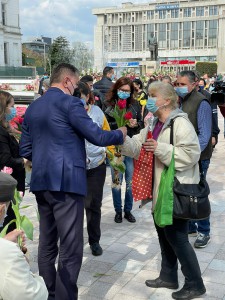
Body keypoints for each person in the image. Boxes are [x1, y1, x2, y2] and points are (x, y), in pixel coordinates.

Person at [19, 63, 126, 300]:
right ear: (67, 81)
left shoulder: (34, 107)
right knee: (70, 246)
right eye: (76, 84)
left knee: (47, 244)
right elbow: (97, 136)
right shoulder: (70, 104)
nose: (76, 89)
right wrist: (121, 134)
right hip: (67, 183)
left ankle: (50, 293)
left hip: (41, 182)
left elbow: (25, 148)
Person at [121, 81, 206, 300]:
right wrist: (120, 140)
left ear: (166, 100)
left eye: (152, 95)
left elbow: (191, 154)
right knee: (164, 234)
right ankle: (168, 275)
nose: (148, 99)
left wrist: (160, 148)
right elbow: (139, 146)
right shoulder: (153, 123)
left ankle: (195, 284)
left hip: (175, 191)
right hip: (159, 188)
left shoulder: (180, 124)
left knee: (177, 238)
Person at [73, 81, 114, 256]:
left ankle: (94, 240)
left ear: (88, 96)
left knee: (93, 205)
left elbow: (106, 133)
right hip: (75, 166)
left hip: (96, 165)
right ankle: (73, 242)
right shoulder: (70, 114)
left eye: (82, 98)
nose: (80, 102)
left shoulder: (97, 113)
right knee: (74, 206)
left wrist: (111, 155)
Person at [176, 71, 212, 248]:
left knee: (198, 194)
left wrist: (191, 154)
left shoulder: (201, 102)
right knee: (186, 191)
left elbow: (204, 135)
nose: (179, 87)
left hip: (199, 156)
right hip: (185, 156)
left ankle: (204, 231)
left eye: (182, 84)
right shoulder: (181, 101)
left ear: (194, 83)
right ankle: (190, 225)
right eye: (177, 84)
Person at [0, 172, 48, 300]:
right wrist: (20, 259)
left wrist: (3, 242)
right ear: (1, 209)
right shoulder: (7, 252)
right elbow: (33, 296)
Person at [105, 76, 143, 223]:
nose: (124, 93)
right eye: (122, 90)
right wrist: (120, 125)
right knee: (116, 182)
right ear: (116, 89)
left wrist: (135, 124)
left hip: (130, 147)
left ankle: (128, 210)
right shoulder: (108, 104)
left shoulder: (134, 105)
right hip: (115, 149)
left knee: (130, 181)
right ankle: (117, 211)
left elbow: (141, 123)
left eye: (127, 91)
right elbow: (105, 125)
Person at [0, 91, 26, 233]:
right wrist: (24, 160)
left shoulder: (7, 128)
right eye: (12, 106)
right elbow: (5, 160)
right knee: (8, 224)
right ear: (3, 108)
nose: (14, 109)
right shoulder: (1, 132)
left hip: (12, 183)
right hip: (6, 186)